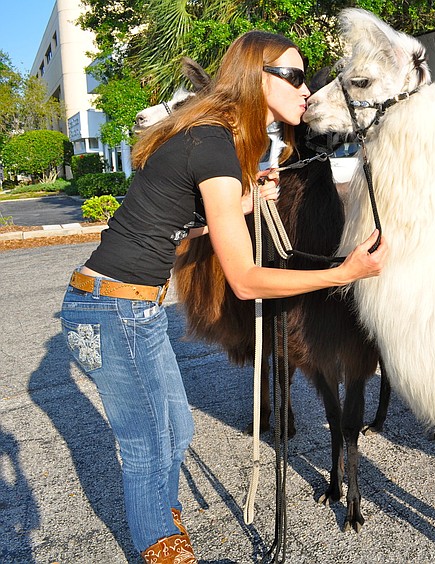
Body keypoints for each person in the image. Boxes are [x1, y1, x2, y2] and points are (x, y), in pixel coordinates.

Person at [59, 31, 387, 562]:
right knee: (149, 447)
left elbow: (172, 228)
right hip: (112, 309)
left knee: (176, 432)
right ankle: (165, 549)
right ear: (256, 78)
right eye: (295, 77)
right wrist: (342, 273)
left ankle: (163, 530)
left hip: (123, 306)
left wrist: (242, 199)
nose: (307, 89)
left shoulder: (210, 137)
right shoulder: (214, 143)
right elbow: (246, 281)